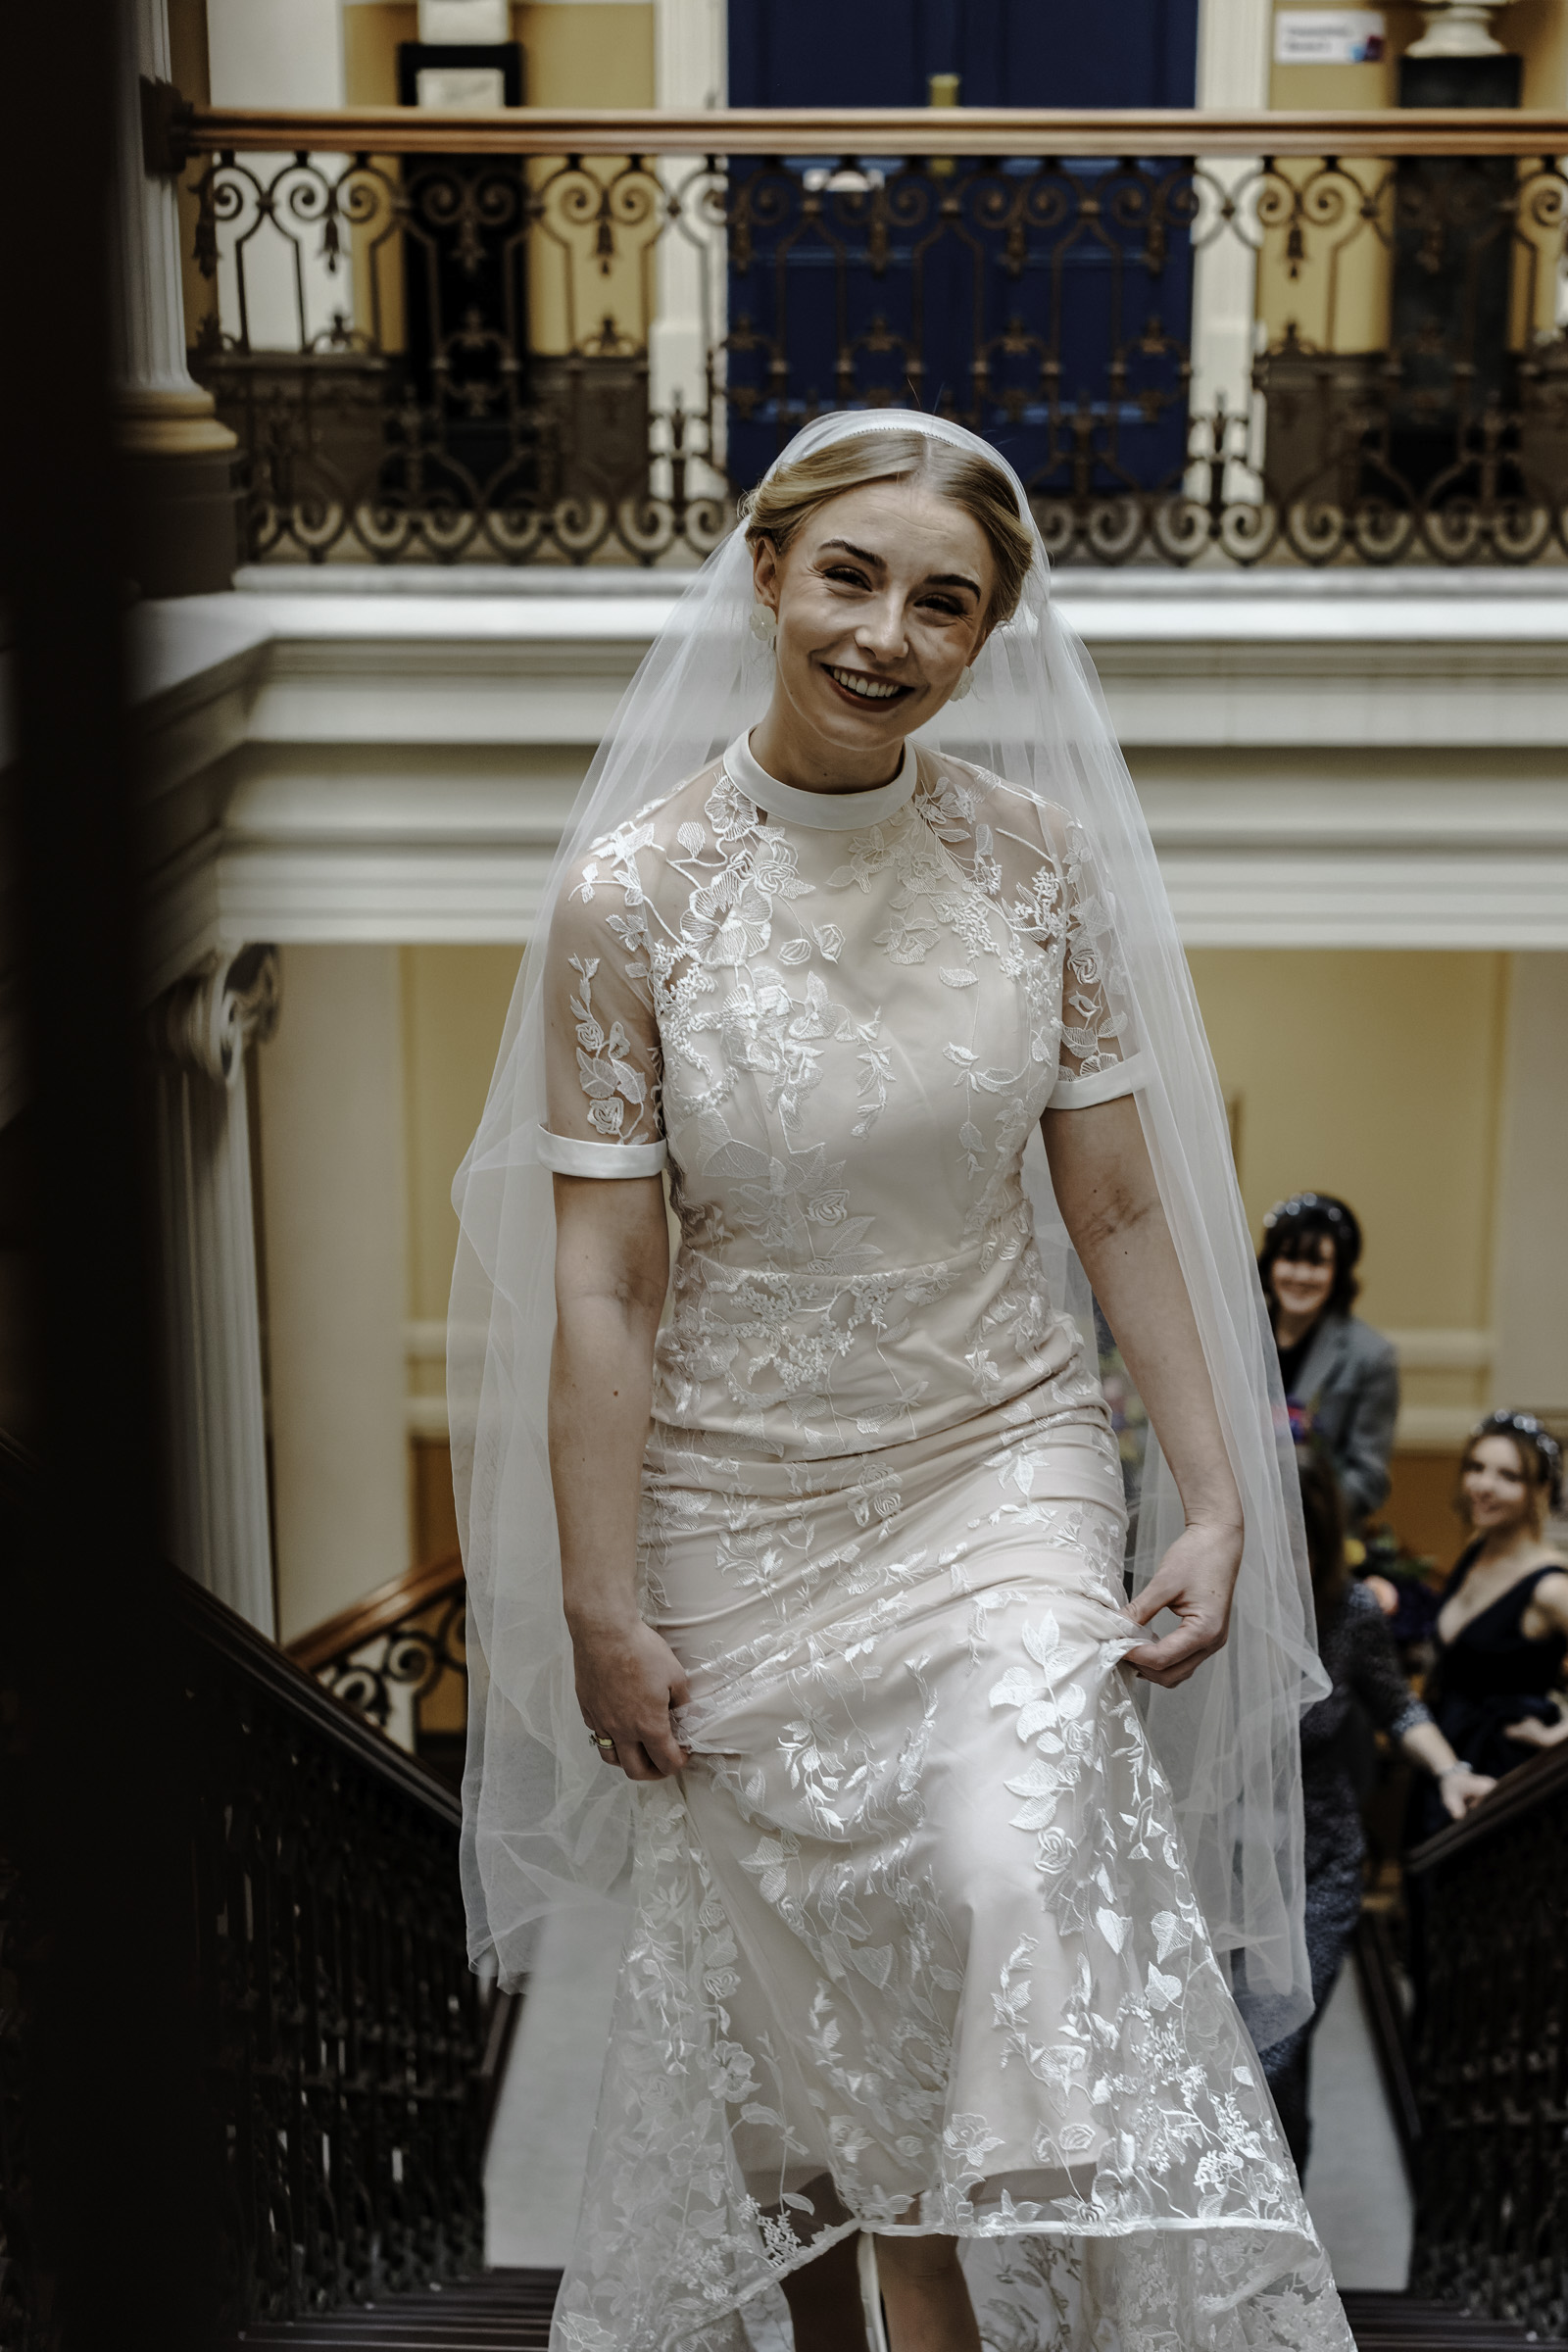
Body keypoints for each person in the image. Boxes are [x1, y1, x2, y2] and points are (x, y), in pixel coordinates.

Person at [452, 415, 1353, 2352]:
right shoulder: (631, 898)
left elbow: (1111, 1206)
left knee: (1005, 1867)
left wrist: (1205, 1497)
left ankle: (997, 2285)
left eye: (942, 601)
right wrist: (604, 1605)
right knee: (791, 2022)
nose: (886, 631)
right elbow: (605, 1281)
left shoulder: (1036, 868)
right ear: (764, 569)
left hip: (996, 1461)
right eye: (850, 576)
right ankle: (878, 2294)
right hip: (733, 1505)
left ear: (986, 637)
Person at [1257, 1444, 1494, 2173]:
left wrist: (1451, 1769)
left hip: (1319, 1868)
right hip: (1222, 1868)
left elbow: (1395, 1705)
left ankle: (1279, 2222)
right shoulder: (1215, 1607)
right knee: (1236, 2060)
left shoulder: (1351, 1611)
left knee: (1276, 2050)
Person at [1408, 1409, 1568, 1845]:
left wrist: (1558, 1734)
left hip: (1506, 1772)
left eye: (1508, 1476)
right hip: (1446, 1756)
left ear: (1541, 1489)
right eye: (1476, 1468)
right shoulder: (1477, 1554)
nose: (1483, 1486)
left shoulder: (1551, 1586)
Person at [1258, 1192, 1398, 1532]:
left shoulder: (1371, 1356)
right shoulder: (1233, 1333)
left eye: (1316, 1263)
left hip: (1315, 1542)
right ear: (1270, 1263)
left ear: (1338, 1272)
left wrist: (1301, 1517)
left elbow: (1368, 1477)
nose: (1301, 1275)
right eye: (1289, 1258)